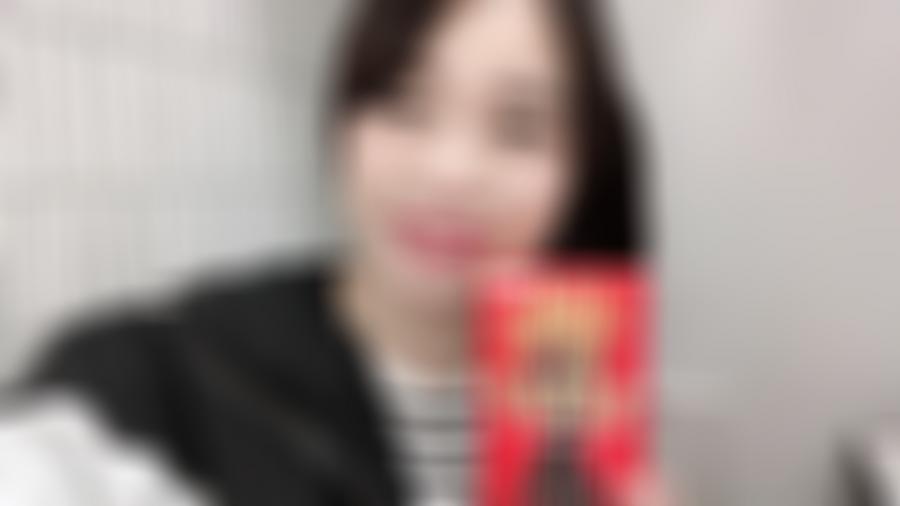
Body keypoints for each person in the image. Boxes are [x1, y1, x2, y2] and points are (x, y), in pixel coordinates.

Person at [6, 0, 642, 504]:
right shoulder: (171, 374)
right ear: (343, 124)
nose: (452, 171)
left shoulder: (587, 408)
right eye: (406, 103)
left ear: (581, 173)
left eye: (518, 127)